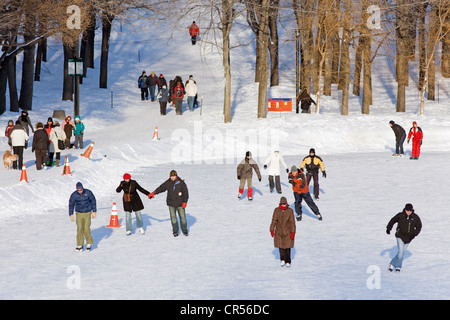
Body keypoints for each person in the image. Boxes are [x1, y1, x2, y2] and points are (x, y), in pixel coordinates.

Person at [149, 170, 189, 237]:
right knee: (173, 218)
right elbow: (161, 188)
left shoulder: (181, 183)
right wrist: (154, 193)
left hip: (180, 204)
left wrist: (185, 201)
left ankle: (184, 230)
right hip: (171, 204)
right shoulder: (168, 183)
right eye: (171, 176)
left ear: (176, 176)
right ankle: (175, 231)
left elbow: (186, 193)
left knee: (183, 218)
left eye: (174, 176)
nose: (172, 178)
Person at [386, 203, 422, 273]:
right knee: (400, 252)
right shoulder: (400, 215)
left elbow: (419, 226)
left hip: (409, 238)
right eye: (407, 210)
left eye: (410, 210)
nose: (409, 212)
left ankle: (392, 264)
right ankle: (398, 266)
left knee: (402, 253)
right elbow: (392, 220)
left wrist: (415, 233)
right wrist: (388, 228)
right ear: (405, 210)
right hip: (400, 236)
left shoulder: (415, 217)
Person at [69, 182, 97, 252]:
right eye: (78, 190)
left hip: (87, 213)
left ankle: (89, 243)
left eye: (81, 189)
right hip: (79, 213)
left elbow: (93, 201)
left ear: (83, 188)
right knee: (80, 228)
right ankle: (79, 244)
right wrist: (71, 214)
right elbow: (71, 204)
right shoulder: (74, 195)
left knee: (86, 228)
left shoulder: (88, 192)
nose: (80, 191)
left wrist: (94, 211)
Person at [270, 196, 296, 267]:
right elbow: (274, 220)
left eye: (284, 203)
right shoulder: (276, 210)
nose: (283, 205)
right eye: (282, 204)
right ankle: (282, 259)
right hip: (279, 231)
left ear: (286, 204)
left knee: (287, 247)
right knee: (281, 247)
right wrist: (272, 229)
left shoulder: (290, 211)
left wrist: (293, 232)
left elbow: (292, 222)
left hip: (288, 232)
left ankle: (288, 260)